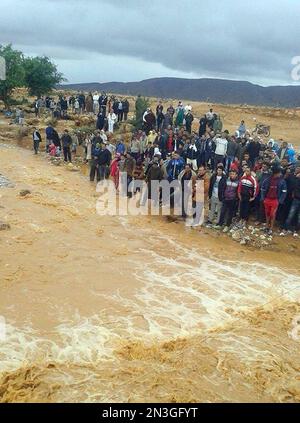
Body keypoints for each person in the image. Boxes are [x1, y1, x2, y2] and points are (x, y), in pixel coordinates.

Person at [260, 166, 287, 235]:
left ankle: (271, 229)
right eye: (279, 172)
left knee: (273, 214)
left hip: (275, 200)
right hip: (267, 199)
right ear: (276, 173)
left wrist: (279, 201)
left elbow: (284, 192)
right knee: (267, 214)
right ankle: (266, 227)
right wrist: (263, 198)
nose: (280, 174)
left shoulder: (282, 181)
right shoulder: (267, 179)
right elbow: (262, 189)